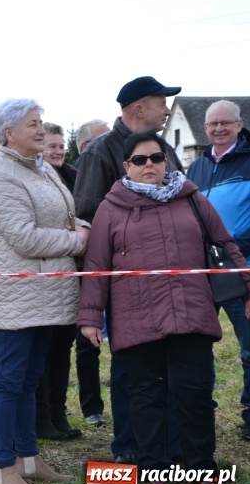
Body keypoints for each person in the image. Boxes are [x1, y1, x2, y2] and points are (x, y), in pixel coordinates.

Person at [80, 131, 245, 484]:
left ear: (165, 161)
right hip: (137, 318)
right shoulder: (111, 207)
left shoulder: (192, 197)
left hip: (191, 313)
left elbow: (225, 245)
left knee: (195, 396)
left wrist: (248, 289)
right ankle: (156, 472)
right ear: (127, 166)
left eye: (156, 158)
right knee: (145, 397)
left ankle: (203, 470)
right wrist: (90, 317)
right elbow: (96, 266)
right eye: (140, 160)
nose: (149, 165)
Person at [0, 99, 88, 484]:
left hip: (49, 291)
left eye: (41, 122)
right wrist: (76, 241)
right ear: (8, 133)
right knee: (8, 381)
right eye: (32, 124)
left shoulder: (42, 168)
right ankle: (4, 468)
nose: (41, 130)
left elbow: (62, 216)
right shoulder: (1, 177)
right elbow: (25, 238)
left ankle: (28, 458)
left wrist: (80, 226)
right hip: (20, 295)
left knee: (29, 379)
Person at [73, 76, 183, 464]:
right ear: (139, 108)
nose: (167, 111)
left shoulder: (164, 148)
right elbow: (88, 218)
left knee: (168, 364)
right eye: (161, 103)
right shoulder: (100, 152)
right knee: (129, 366)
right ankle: (129, 446)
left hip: (170, 280)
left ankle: (169, 443)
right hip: (125, 284)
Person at [187, 100, 250, 440]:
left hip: (243, 268)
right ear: (205, 128)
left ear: (240, 125)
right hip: (204, 271)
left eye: (226, 122)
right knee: (197, 347)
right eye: (213, 124)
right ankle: (201, 412)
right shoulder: (196, 167)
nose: (219, 128)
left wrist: (234, 247)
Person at [32, 122, 81, 441]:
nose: (58, 151)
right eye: (51, 146)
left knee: (63, 348)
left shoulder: (74, 178)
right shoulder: (34, 179)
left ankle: (59, 413)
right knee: (44, 351)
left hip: (71, 273)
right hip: (43, 276)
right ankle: (42, 417)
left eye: (61, 146)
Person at [72, 120, 110, 426]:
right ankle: (91, 406)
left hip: (119, 266)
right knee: (87, 341)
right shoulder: (75, 177)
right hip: (85, 270)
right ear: (86, 147)